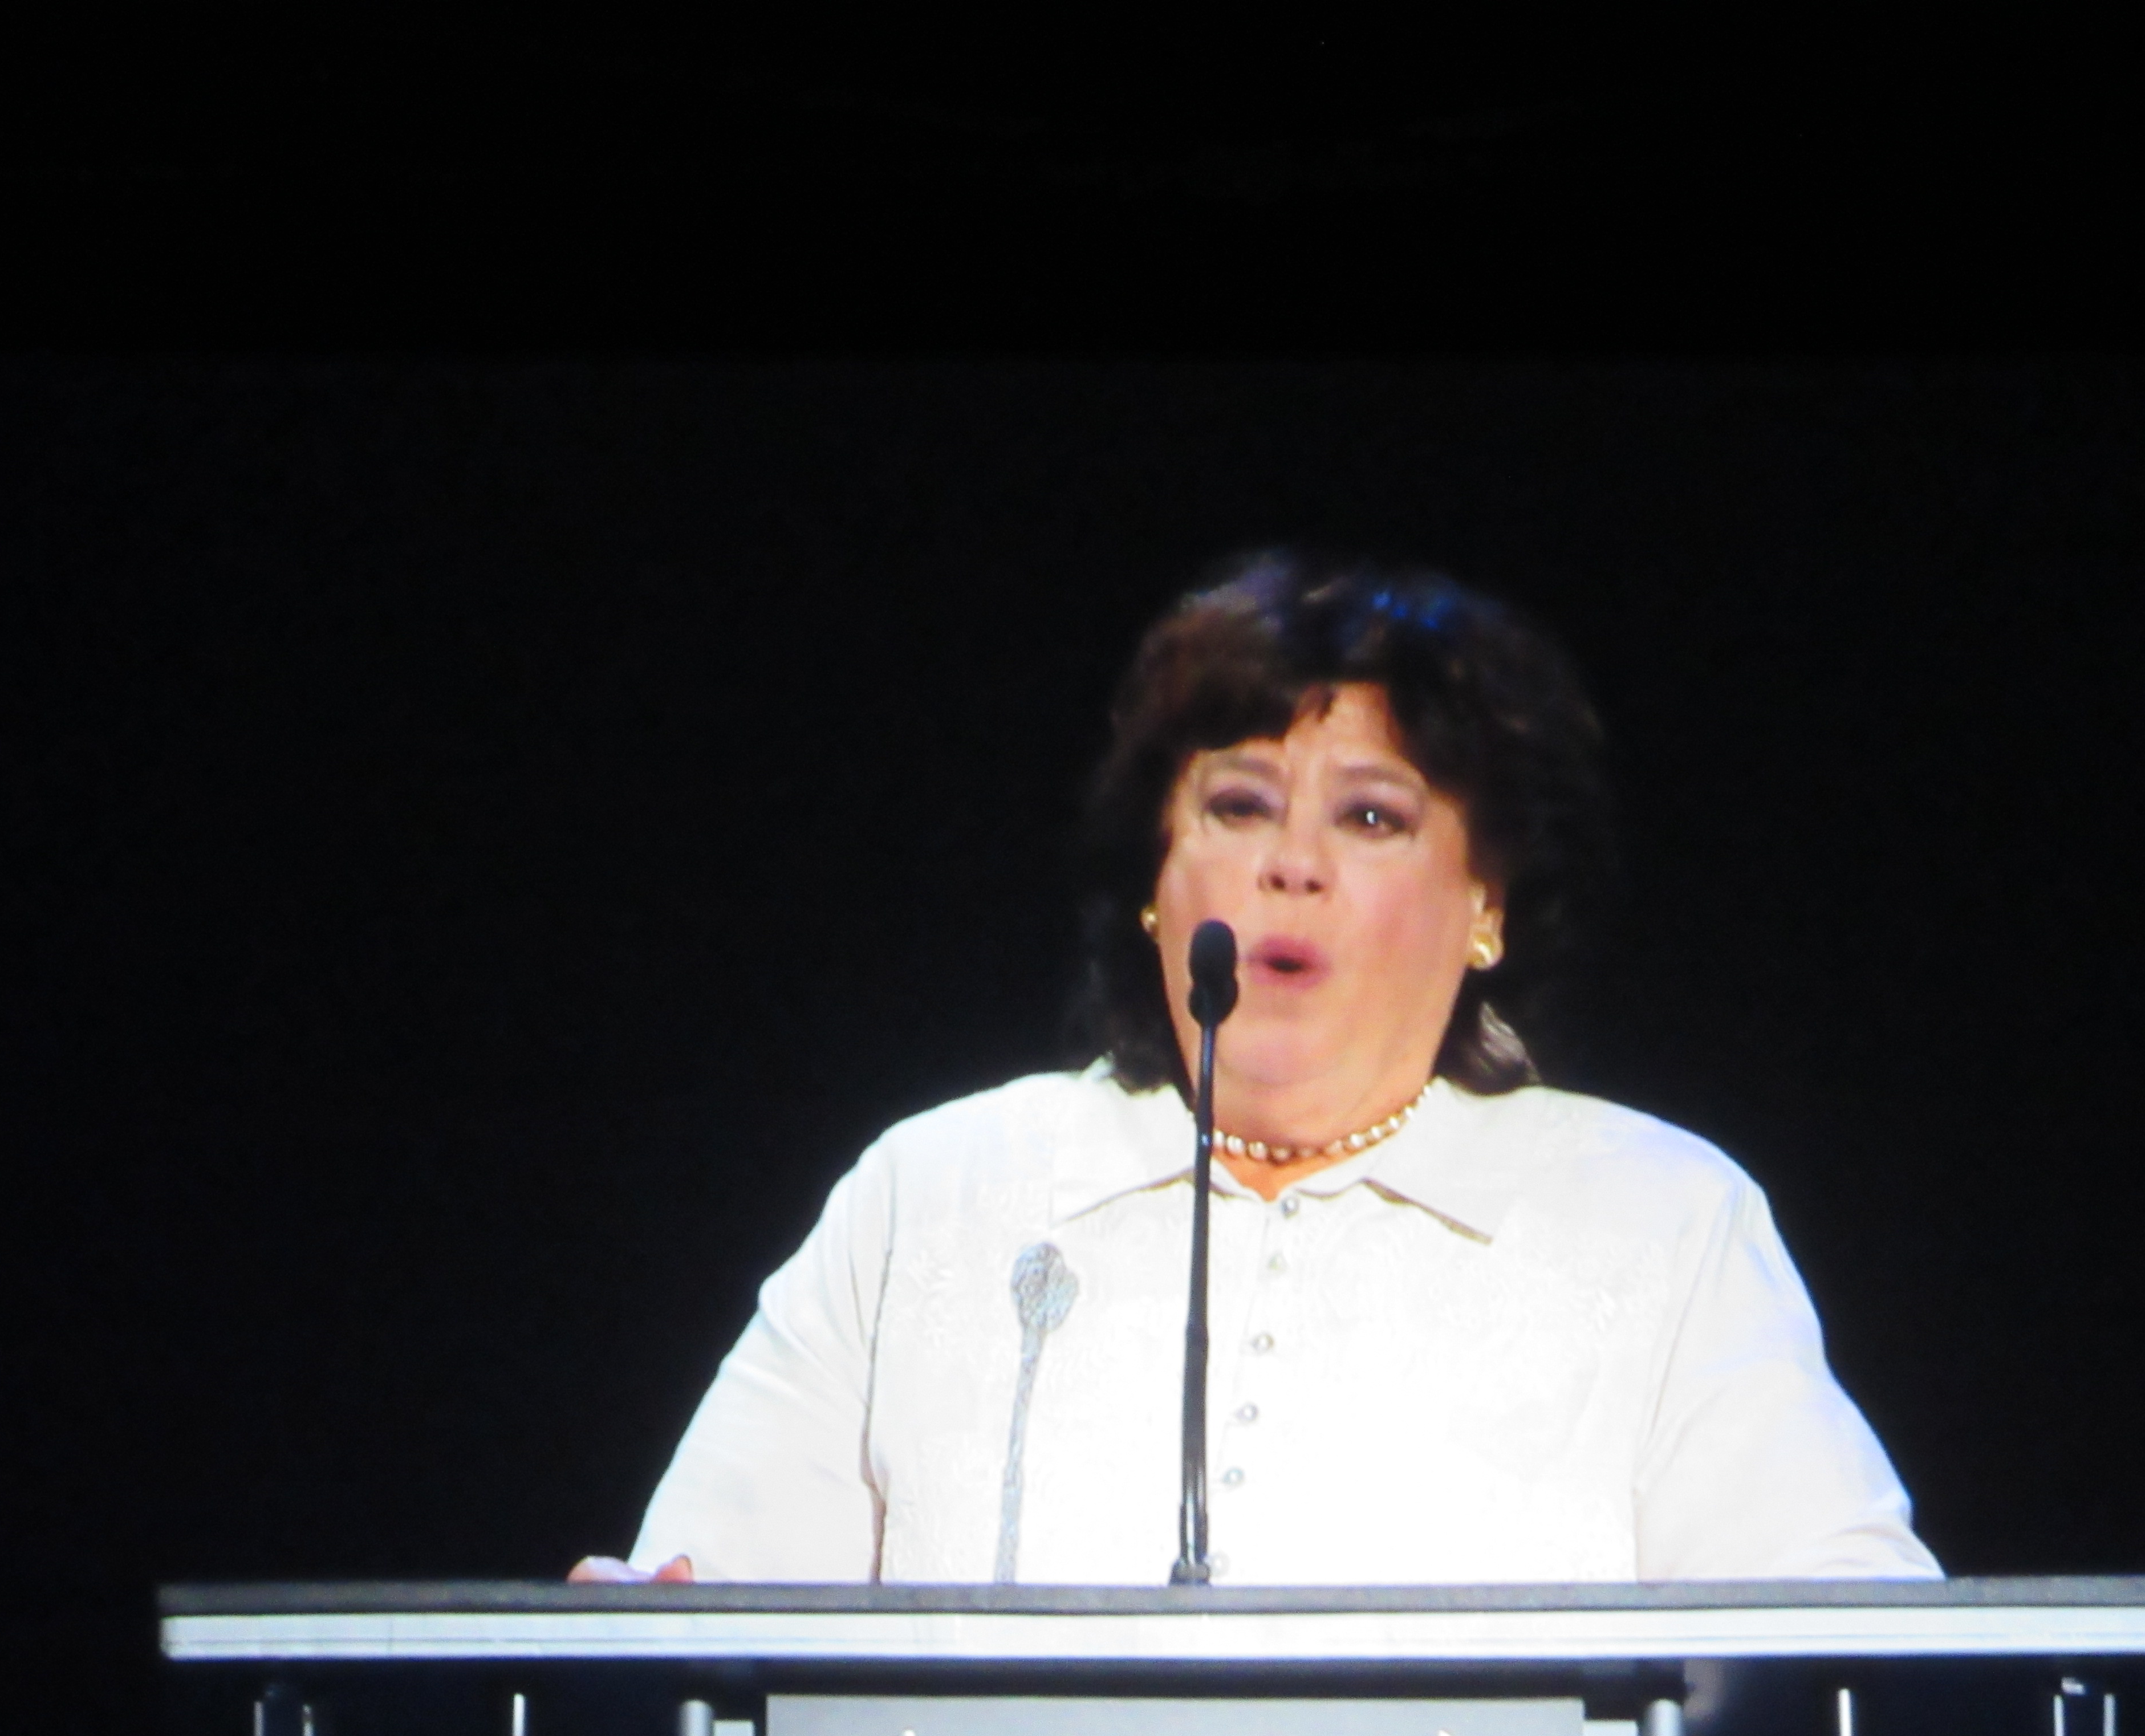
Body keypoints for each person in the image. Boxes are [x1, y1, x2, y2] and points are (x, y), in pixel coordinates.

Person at [572, 550, 1939, 1586]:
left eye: (1371, 817)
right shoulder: (937, 1197)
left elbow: (1855, 1672)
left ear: (1489, 904)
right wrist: (618, 1707)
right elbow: (672, 1682)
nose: (1293, 864)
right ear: (1156, 886)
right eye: (1237, 806)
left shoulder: (1657, 1218)